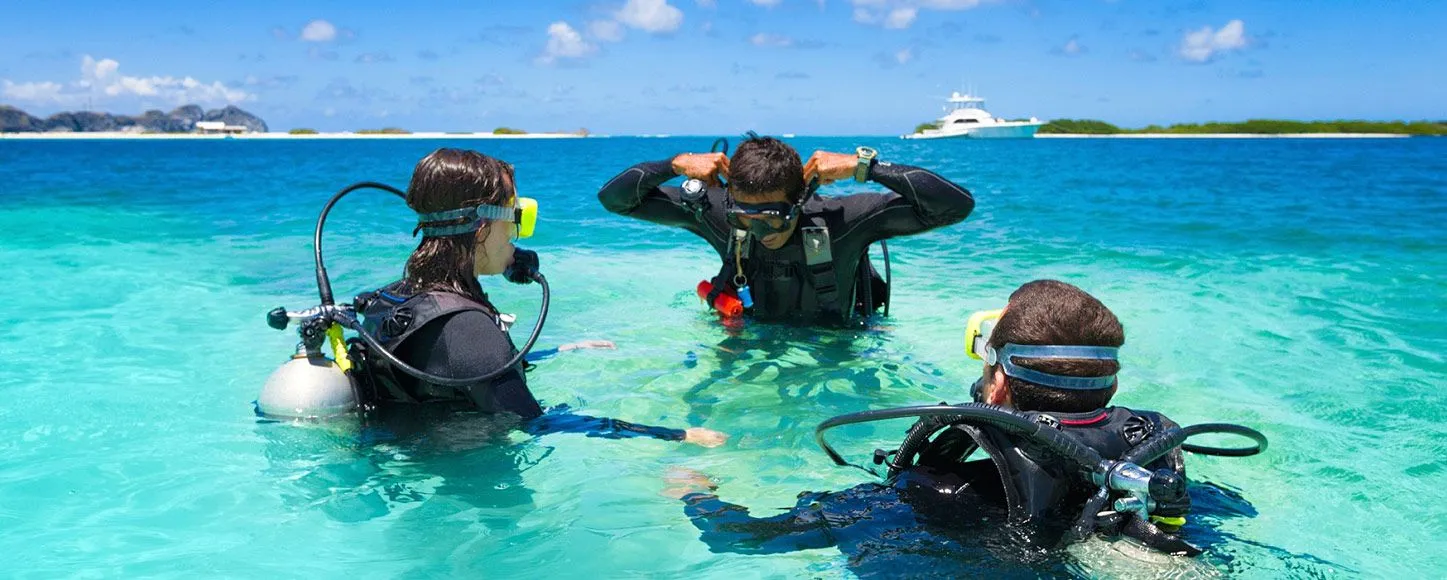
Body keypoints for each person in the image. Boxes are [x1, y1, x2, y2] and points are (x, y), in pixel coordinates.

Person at [668, 281, 1266, 571]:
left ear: (998, 383)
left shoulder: (936, 493)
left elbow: (741, 539)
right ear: (1109, 383)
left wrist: (695, 491)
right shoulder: (1152, 478)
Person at [348, 147, 725, 446]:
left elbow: (457, 370)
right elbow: (535, 423)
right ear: (482, 227)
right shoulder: (467, 329)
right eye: (515, 216)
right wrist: (674, 435)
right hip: (473, 498)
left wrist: (563, 351)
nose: (516, 234)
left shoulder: (400, 295)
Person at [597, 135, 974, 325]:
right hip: (749, 346)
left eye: (774, 217)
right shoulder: (712, 212)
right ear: (730, 203)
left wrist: (866, 168)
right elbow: (615, 200)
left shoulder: (841, 221)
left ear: (800, 199)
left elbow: (956, 206)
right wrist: (675, 164)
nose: (761, 232)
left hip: (835, 353)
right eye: (744, 218)